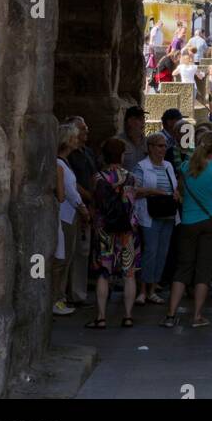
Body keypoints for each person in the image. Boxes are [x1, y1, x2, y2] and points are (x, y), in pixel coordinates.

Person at [164, 132, 212, 329]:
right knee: (204, 270)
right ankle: (197, 315)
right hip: (209, 222)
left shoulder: (184, 167)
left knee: (183, 268)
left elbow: (180, 191)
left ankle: (171, 314)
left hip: (188, 222)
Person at [85, 137, 141, 330]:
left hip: (104, 230)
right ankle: (128, 316)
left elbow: (95, 204)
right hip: (126, 231)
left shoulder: (97, 178)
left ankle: (101, 317)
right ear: (121, 155)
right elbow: (131, 204)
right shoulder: (131, 177)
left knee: (103, 273)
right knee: (129, 273)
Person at [134, 133, 179, 306]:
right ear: (150, 147)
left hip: (167, 213)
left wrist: (175, 193)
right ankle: (143, 290)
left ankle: (153, 289)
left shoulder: (168, 166)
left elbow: (174, 186)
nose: (163, 149)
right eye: (159, 146)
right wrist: (154, 191)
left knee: (162, 252)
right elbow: (134, 189)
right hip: (150, 213)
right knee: (150, 251)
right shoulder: (141, 166)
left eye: (164, 146)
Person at [53, 121, 88, 316]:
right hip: (65, 215)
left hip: (69, 214)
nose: (77, 140)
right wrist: (83, 208)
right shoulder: (60, 164)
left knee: (65, 259)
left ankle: (60, 298)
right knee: (61, 260)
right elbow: (67, 192)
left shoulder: (64, 163)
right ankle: (57, 299)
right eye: (74, 137)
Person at [64, 115, 98, 308]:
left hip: (86, 204)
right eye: (83, 129)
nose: (87, 131)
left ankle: (78, 291)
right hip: (74, 205)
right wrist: (88, 197)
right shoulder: (69, 155)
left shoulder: (87, 151)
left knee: (83, 250)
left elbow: (92, 174)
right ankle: (72, 293)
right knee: (72, 250)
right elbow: (71, 183)